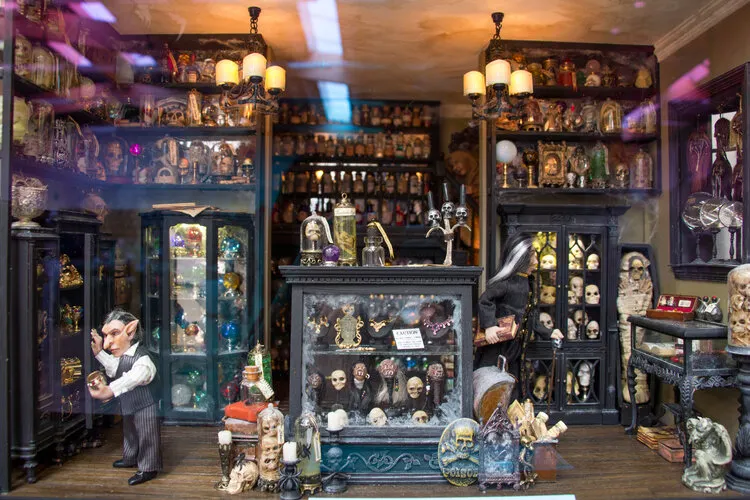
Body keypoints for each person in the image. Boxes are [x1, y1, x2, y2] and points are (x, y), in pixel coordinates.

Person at [476, 233, 564, 399]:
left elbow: (530, 316)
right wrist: (490, 325)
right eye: (532, 258)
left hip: (516, 347)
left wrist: (549, 332)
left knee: (513, 383)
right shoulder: (505, 283)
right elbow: (485, 301)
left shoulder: (528, 283)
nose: (536, 263)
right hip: (498, 346)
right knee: (491, 385)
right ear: (521, 259)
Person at [88, 309, 162, 486]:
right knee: (129, 432)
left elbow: (132, 378)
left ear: (131, 331)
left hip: (145, 405)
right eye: (106, 336)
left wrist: (109, 390)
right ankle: (130, 457)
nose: (108, 343)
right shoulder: (123, 357)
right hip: (129, 404)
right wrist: (99, 353)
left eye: (114, 334)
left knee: (147, 435)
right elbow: (115, 368)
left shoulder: (143, 360)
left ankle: (148, 467)